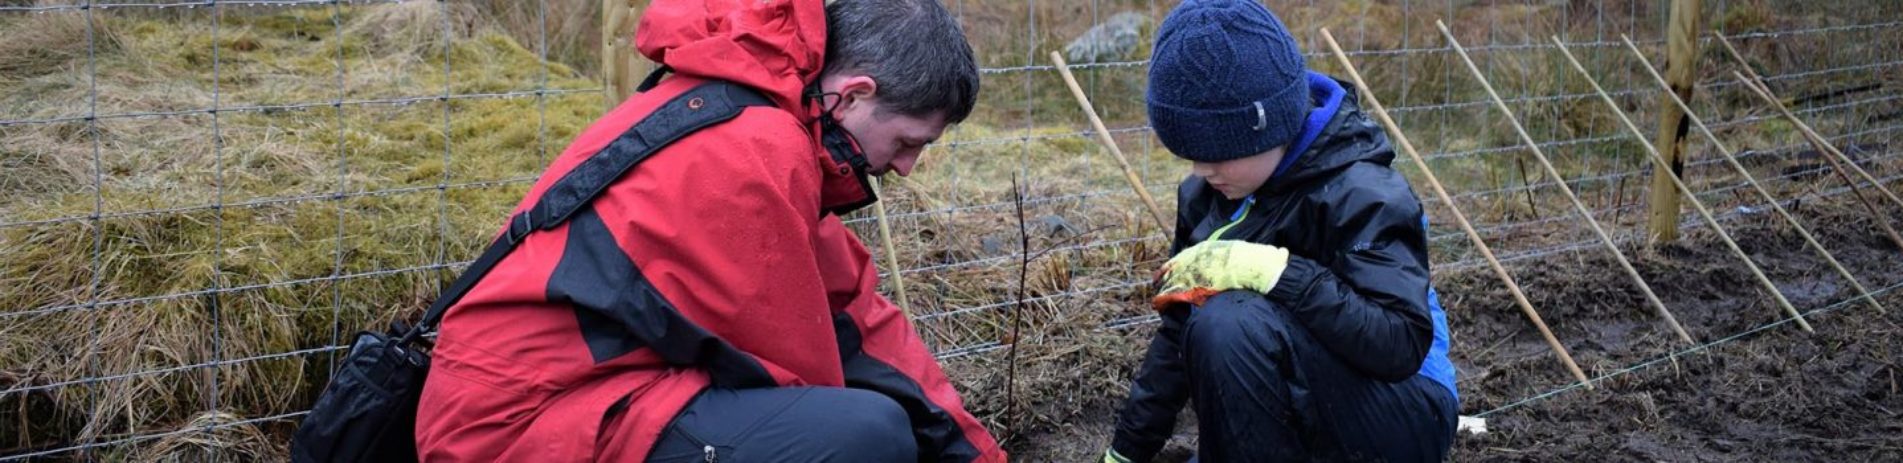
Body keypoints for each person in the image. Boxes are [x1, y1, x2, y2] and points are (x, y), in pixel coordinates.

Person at [413, 0, 1006, 461]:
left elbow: (854, 315)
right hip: (512, 432)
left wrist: (975, 456)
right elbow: (799, 372)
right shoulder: (753, 152)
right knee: (861, 437)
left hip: (586, 397)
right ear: (853, 96)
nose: (906, 167)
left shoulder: (763, 115)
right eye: (908, 142)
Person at [1101, 0, 1459, 461]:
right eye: (1186, 151)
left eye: (1216, 149)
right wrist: (1126, 452)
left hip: (1404, 407)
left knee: (1230, 324)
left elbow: (1397, 344)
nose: (1201, 167)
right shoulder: (1206, 193)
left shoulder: (1362, 192)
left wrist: (1277, 272)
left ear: (1271, 124)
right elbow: (1177, 333)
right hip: (1301, 399)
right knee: (1213, 325)